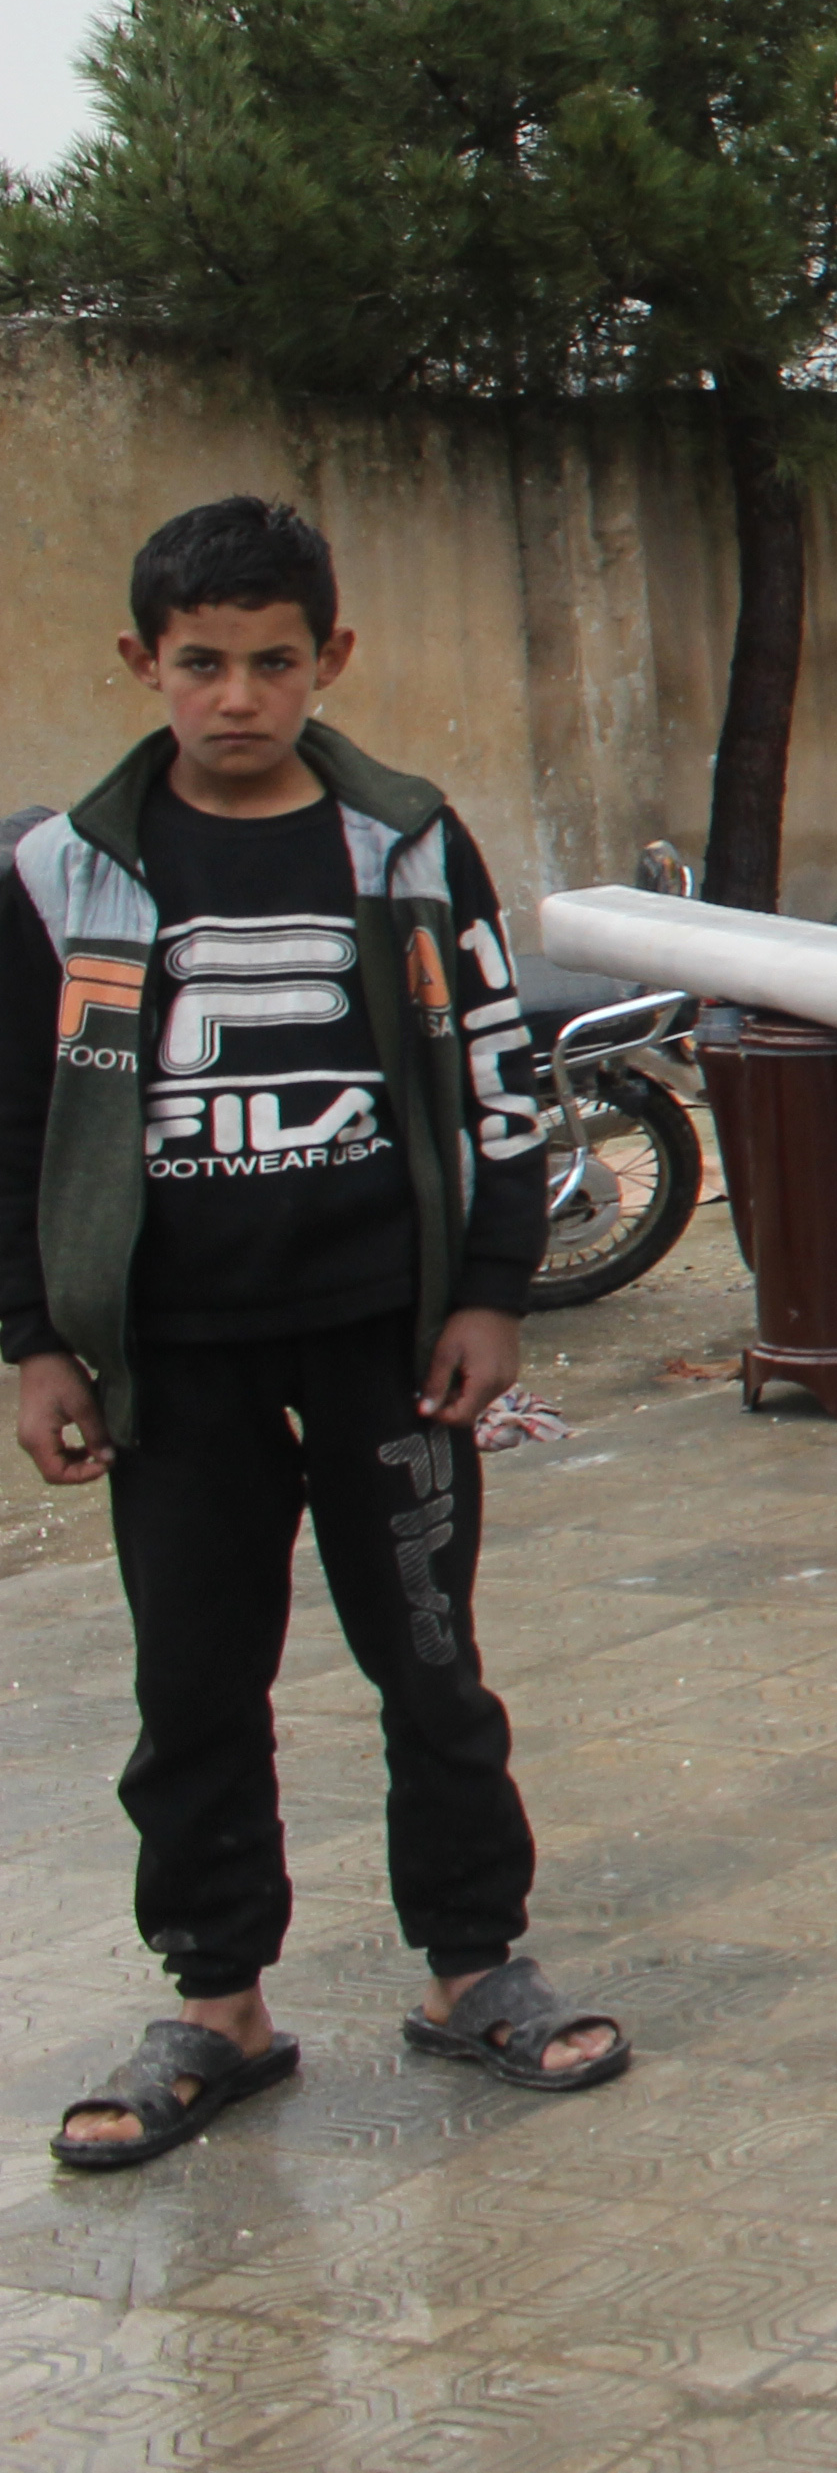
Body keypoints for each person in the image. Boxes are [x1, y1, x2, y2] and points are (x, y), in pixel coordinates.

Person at [2, 497, 630, 2173]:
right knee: (193, 1681)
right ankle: (218, 2008)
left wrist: (491, 1288)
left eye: (273, 663)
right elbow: (15, 1121)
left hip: (384, 1344)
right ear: (143, 662)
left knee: (427, 1660)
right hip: (173, 1360)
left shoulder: (405, 847)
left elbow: (497, 1076)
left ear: (328, 658)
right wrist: (37, 1342)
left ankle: (474, 1967)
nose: (238, 697)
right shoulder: (63, 873)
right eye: (201, 663)